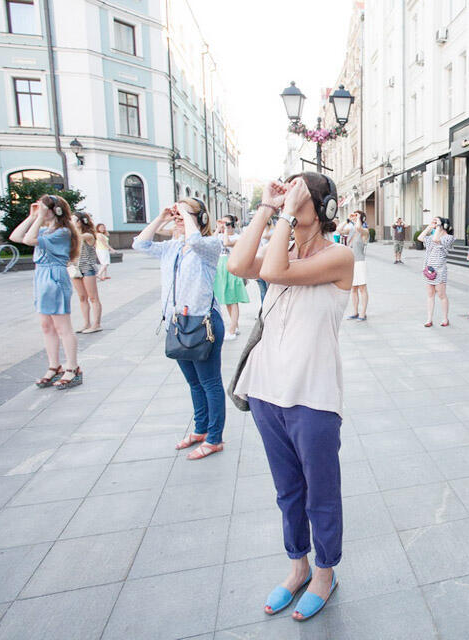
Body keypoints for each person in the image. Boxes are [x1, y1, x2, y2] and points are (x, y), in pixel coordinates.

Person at [228, 172, 353, 622]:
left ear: (324, 209)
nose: (289, 200)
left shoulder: (339, 256)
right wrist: (266, 206)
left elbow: (275, 272)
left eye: (298, 195)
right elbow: (238, 265)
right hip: (266, 390)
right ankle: (298, 566)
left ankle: (324, 572)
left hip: (313, 394)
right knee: (288, 490)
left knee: (321, 492)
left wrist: (283, 214)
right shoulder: (282, 248)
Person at [133, 197, 226, 460]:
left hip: (203, 324)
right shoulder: (172, 247)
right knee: (194, 383)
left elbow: (195, 240)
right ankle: (200, 429)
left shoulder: (209, 245)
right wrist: (162, 218)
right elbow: (139, 244)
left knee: (210, 382)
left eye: (185, 215)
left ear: (201, 218)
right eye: (177, 216)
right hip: (177, 323)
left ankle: (215, 438)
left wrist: (185, 213)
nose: (179, 219)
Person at [9, 195, 82, 390]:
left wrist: (39, 217)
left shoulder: (63, 232)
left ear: (56, 210)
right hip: (41, 275)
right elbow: (16, 237)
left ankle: (72, 367)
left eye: (44, 208)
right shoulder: (45, 230)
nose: (40, 211)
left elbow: (28, 240)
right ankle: (54, 366)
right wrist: (32, 217)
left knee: (62, 326)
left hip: (54, 276)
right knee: (46, 326)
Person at [214, 214, 250, 340]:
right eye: (223, 223)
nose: (225, 226)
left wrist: (225, 230)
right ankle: (236, 325)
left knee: (233, 299)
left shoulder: (238, 237)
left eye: (227, 224)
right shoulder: (219, 235)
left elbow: (226, 243)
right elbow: (210, 242)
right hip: (220, 269)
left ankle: (232, 329)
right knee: (227, 300)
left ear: (233, 225)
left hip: (231, 268)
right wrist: (218, 228)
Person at [418, 216, 455, 327]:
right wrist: (429, 227)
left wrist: (439, 226)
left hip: (440, 270)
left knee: (441, 294)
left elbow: (436, 240)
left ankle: (445, 319)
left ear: (443, 225)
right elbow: (420, 237)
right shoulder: (431, 236)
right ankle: (429, 319)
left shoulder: (448, 237)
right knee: (430, 294)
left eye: (437, 223)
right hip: (429, 269)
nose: (435, 225)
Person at [71, 212, 103, 334]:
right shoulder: (73, 234)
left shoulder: (88, 235)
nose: (71, 222)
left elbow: (77, 237)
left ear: (80, 222)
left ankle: (97, 324)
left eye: (73, 220)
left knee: (93, 297)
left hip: (87, 268)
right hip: (74, 268)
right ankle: (86, 323)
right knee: (82, 297)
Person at [342, 210, 369, 320]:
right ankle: (355, 312)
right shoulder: (351, 230)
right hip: (350, 262)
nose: (354, 217)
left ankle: (363, 313)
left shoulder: (365, 231)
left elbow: (359, 228)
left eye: (356, 215)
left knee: (362, 288)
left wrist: (358, 218)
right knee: (353, 289)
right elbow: (339, 229)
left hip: (359, 262)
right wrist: (347, 220)